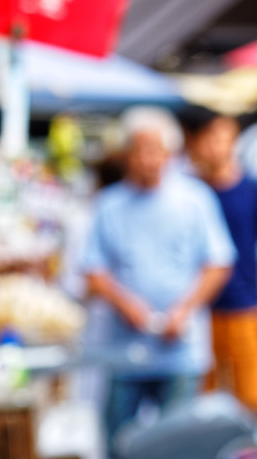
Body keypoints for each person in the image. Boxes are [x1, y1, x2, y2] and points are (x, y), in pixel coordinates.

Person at [82, 106, 235, 453]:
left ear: (170, 154)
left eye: (156, 150)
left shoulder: (195, 199)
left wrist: (183, 310)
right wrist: (128, 304)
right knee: (119, 443)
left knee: (179, 446)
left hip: (180, 349)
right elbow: (93, 271)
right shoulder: (109, 205)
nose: (148, 159)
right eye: (140, 149)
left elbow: (218, 263)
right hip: (124, 349)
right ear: (126, 154)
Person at [183, 104, 257, 409]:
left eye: (225, 137)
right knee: (203, 394)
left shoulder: (249, 190)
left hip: (243, 302)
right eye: (211, 137)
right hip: (197, 305)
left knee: (249, 392)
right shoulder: (189, 191)